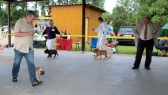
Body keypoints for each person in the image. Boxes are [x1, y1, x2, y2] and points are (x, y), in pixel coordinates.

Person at [12, 10, 42, 86]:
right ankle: (14, 75)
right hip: (19, 48)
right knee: (16, 63)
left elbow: (31, 33)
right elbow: (16, 34)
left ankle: (34, 81)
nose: (33, 21)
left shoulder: (31, 24)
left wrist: (32, 33)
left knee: (31, 64)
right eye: (32, 19)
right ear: (28, 16)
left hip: (29, 48)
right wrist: (28, 33)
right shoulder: (19, 22)